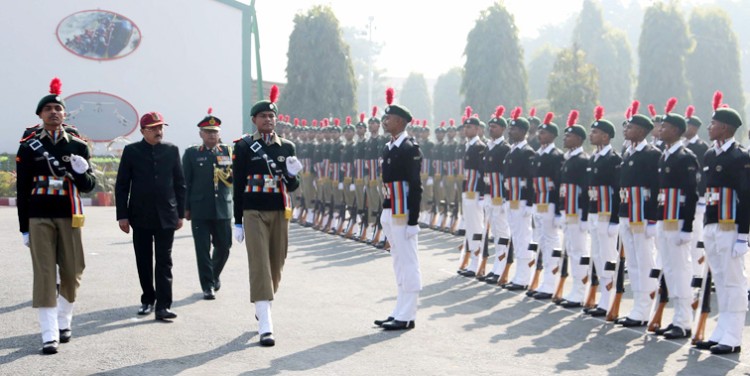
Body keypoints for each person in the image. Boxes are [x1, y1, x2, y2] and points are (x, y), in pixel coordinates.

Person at [16, 78, 97, 354]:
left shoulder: (78, 146)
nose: (53, 112)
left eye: (57, 108)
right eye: (47, 108)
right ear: (40, 115)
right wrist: (23, 228)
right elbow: (22, 189)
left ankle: (65, 319)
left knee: (74, 271)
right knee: (45, 274)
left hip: (69, 214)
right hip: (39, 215)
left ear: (65, 114)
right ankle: (49, 333)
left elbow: (88, 186)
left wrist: (78, 170)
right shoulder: (28, 147)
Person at [232, 85, 302, 347]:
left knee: (276, 265)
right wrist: (237, 220)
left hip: (280, 211)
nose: (268, 120)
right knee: (259, 264)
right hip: (253, 212)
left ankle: (263, 305)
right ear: (254, 120)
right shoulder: (244, 147)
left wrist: (294, 174)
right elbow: (238, 184)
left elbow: (292, 187)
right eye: (263, 116)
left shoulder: (287, 147)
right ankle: (266, 323)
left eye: (272, 116)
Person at [115, 111, 186, 321]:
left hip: (167, 215)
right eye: (154, 128)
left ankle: (164, 305)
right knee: (144, 260)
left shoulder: (171, 150)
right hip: (140, 215)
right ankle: (148, 299)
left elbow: (180, 184)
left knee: (164, 261)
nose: (158, 131)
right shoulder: (132, 151)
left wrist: (180, 213)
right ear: (143, 131)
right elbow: (122, 186)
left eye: (161, 127)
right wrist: (122, 216)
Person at [694, 92, 750, 354]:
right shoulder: (709, 155)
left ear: (725, 128)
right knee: (719, 278)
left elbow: (747, 196)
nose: (709, 127)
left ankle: (733, 335)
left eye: (713, 123)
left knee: (733, 281)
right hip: (713, 224)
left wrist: (743, 235)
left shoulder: (740, 157)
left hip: (731, 226)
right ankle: (721, 330)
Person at [373, 87, 423, 330]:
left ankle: (408, 313)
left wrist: (413, 221)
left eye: (389, 118)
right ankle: (400, 310)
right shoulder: (389, 147)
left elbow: (415, 186)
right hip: (390, 209)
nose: (385, 121)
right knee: (397, 260)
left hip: (403, 213)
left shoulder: (409, 148)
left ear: (400, 122)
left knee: (408, 261)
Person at [652, 99, 700, 339]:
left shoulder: (685, 157)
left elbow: (691, 195)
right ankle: (677, 317)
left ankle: (684, 321)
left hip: (678, 221)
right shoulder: (665, 156)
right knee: (669, 270)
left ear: (677, 131)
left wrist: (687, 228)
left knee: (680, 270)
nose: (660, 130)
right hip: (664, 219)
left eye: (665, 127)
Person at [615, 106, 661, 327]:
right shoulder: (628, 152)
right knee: (632, 264)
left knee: (645, 261)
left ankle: (647, 307)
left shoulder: (652, 155)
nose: (626, 129)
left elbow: (656, 188)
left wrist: (653, 220)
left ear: (642, 131)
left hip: (642, 215)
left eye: (630, 126)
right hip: (627, 212)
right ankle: (638, 307)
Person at [182, 108, 233, 300]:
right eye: (208, 132)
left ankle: (213, 274)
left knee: (224, 246)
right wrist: (185, 208)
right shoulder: (192, 154)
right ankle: (207, 285)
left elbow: (235, 177)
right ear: (201, 134)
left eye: (215, 132)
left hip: (223, 207)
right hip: (200, 208)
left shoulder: (228, 151)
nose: (212, 135)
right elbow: (186, 182)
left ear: (219, 133)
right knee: (202, 249)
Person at [583, 107, 622, 315]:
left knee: (607, 256)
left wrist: (614, 220)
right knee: (597, 256)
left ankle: (610, 299)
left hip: (607, 215)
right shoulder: (594, 158)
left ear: (605, 136)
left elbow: (617, 191)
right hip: (594, 213)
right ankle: (603, 299)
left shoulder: (614, 160)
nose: (591, 135)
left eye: (595, 132)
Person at [527, 112, 564, 299]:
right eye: (539, 131)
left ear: (552, 136)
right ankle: (544, 280)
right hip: (538, 203)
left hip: (549, 203)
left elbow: (558, 184)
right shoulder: (538, 155)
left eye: (544, 132)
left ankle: (551, 281)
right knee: (541, 240)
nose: (540, 135)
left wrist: (558, 210)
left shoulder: (557, 156)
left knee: (551, 241)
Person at [556, 112, 590, 307]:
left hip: (577, 212)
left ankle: (580, 290)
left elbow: (585, 191)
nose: (565, 138)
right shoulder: (568, 159)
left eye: (569, 136)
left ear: (578, 139)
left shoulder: (582, 160)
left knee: (578, 250)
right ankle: (575, 288)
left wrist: (584, 216)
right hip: (568, 212)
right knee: (570, 249)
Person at [502, 108, 536, 291]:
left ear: (523, 132)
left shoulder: (527, 152)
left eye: (514, 129)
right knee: (516, 237)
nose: (510, 131)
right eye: (510, 128)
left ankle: (524, 277)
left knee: (523, 238)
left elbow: (531, 181)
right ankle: (519, 274)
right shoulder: (511, 152)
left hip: (522, 201)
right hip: (511, 200)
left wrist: (529, 204)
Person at [480, 107, 511, 285]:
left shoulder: (504, 148)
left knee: (502, 231)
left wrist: (505, 198)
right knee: (495, 233)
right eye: (490, 126)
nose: (491, 129)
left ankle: (501, 266)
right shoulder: (489, 147)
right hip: (490, 194)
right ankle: (496, 266)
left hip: (500, 195)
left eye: (495, 126)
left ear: (502, 129)